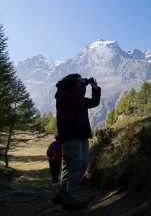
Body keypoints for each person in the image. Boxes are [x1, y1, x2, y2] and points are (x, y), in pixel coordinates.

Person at [52, 73, 101, 210]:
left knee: (82, 165)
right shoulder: (63, 95)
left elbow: (93, 103)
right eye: (79, 81)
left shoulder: (76, 97)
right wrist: (83, 85)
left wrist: (95, 89)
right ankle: (69, 200)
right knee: (72, 166)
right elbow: (77, 100)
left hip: (82, 135)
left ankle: (64, 194)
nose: (82, 82)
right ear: (72, 83)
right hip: (70, 136)